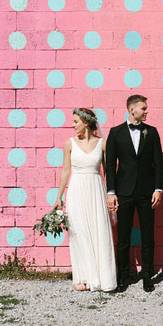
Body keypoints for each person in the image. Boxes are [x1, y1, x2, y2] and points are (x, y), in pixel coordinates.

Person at [53, 108, 117, 292]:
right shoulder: (70, 144)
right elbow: (66, 171)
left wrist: (111, 194)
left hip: (96, 189)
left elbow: (109, 172)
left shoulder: (102, 144)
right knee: (79, 232)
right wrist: (59, 197)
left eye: (75, 121)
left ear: (86, 122)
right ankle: (82, 277)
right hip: (77, 190)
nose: (73, 125)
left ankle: (103, 278)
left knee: (99, 231)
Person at [106, 94, 163, 292]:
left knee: (148, 236)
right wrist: (111, 192)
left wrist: (158, 189)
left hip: (147, 193)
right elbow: (110, 165)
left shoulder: (152, 132)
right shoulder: (115, 133)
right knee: (123, 236)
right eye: (143, 108)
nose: (147, 111)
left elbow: (158, 164)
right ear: (132, 110)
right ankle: (123, 276)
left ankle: (148, 275)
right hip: (124, 192)